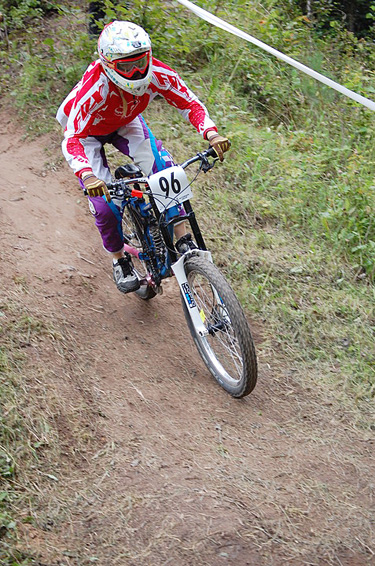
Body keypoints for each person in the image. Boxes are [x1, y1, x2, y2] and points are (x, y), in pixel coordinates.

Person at [56, 20, 230, 294]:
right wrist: (87, 175)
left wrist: (211, 134)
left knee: (165, 171)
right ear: (108, 65)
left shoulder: (158, 72)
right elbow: (73, 137)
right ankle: (119, 259)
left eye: (141, 62)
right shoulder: (95, 88)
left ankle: (183, 238)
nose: (136, 72)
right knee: (105, 206)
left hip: (126, 121)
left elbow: (188, 102)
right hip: (87, 133)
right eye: (126, 66)